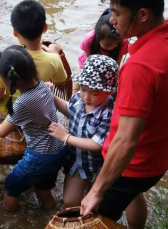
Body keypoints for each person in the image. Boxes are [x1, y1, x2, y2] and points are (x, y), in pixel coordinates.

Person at [80, 0, 168, 229]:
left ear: (142, 14)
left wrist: (96, 191)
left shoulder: (140, 67)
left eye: (117, 12)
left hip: (134, 164)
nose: (111, 20)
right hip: (164, 152)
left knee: (95, 223)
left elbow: (126, 141)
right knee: (134, 194)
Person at [0, 46, 66, 212]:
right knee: (43, 188)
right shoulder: (43, 86)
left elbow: (2, 131)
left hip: (39, 156)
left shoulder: (24, 102)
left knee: (11, 185)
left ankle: (9, 217)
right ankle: (52, 214)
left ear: (8, 81)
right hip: (57, 150)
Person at [47, 55, 118, 208]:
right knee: (70, 202)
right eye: (83, 89)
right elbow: (69, 110)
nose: (86, 96)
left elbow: (97, 144)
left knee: (99, 203)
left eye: (94, 93)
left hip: (100, 164)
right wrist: (51, 96)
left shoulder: (109, 112)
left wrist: (66, 137)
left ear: (109, 92)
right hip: (78, 161)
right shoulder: (79, 98)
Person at [0, 0, 68, 121]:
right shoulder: (53, 59)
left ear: (15, 32)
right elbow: (61, 80)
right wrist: (55, 53)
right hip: (36, 114)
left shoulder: (7, 59)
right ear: (44, 28)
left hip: (7, 115)